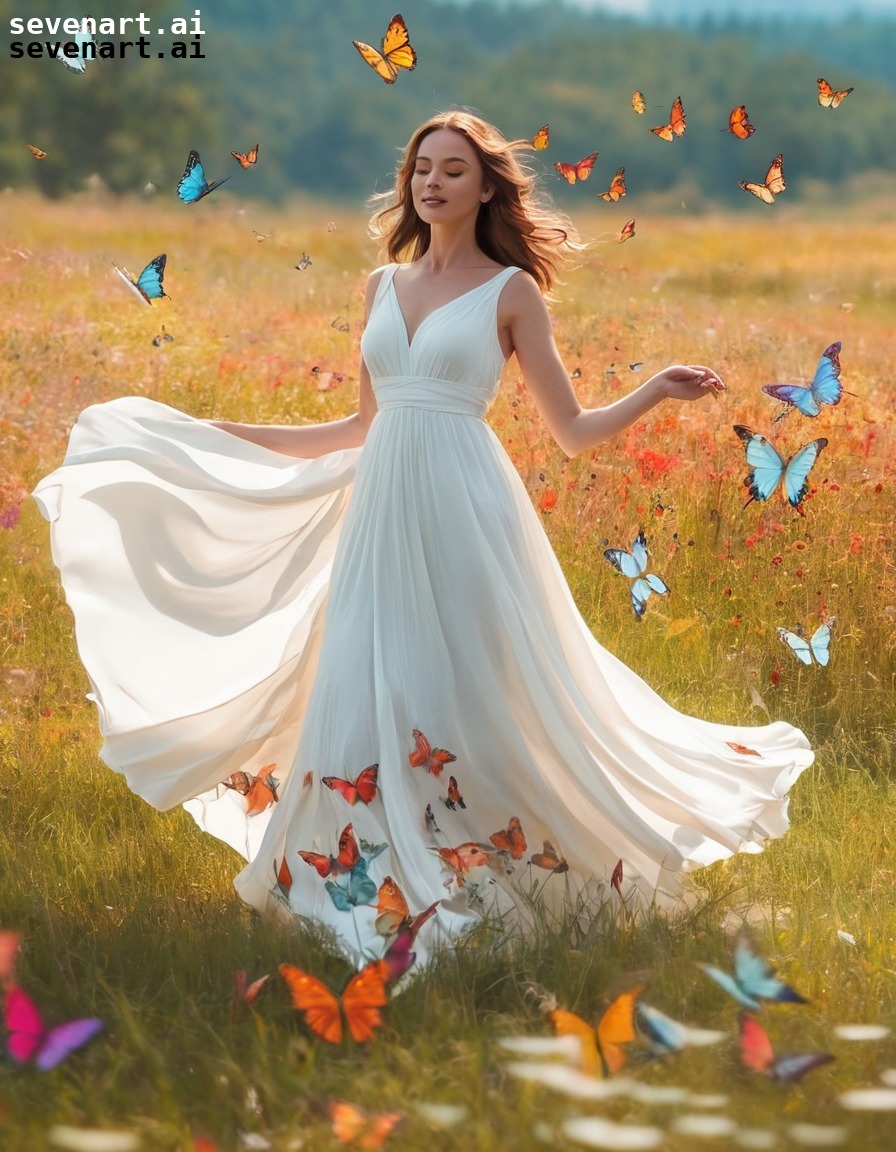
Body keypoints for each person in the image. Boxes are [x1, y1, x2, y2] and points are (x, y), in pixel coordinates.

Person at [34, 110, 813, 967]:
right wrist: (224, 433)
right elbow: (364, 423)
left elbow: (573, 432)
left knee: (466, 686)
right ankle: (360, 878)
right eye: (421, 170)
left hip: (465, 509)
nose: (432, 182)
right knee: (366, 677)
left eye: (451, 169)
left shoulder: (512, 291)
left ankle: (491, 861)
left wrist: (657, 390)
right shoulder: (381, 285)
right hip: (380, 508)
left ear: (486, 187)